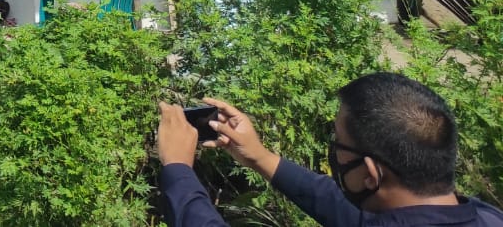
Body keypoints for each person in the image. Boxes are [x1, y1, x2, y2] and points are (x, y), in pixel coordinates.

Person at [156, 73, 503, 226]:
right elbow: (344, 211)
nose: (334, 151)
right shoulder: (487, 217)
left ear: (370, 174)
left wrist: (178, 171)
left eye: (338, 142)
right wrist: (260, 157)